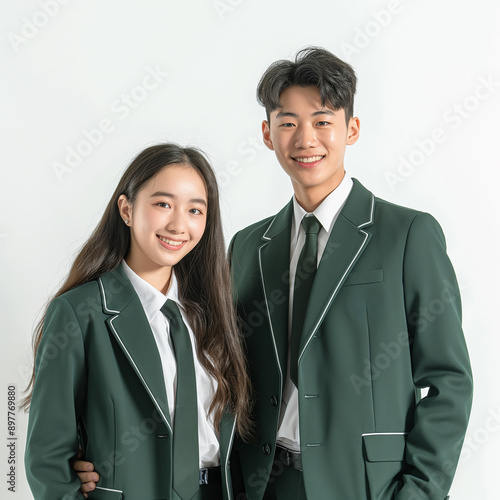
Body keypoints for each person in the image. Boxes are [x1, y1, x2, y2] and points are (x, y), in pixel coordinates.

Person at [76, 48, 473, 499]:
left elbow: (449, 381)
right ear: (267, 134)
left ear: (352, 129)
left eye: (322, 121)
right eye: (288, 122)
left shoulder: (407, 235)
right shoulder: (248, 244)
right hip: (260, 482)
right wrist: (101, 453)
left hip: (364, 485)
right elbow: (207, 365)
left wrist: (419, 492)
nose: (306, 138)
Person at [23, 143, 253, 500]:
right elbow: (48, 458)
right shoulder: (80, 312)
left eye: (195, 209)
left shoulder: (214, 313)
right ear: (126, 209)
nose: (179, 224)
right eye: (163, 204)